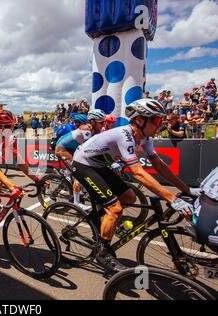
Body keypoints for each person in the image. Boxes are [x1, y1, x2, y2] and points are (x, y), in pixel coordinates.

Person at [72, 99, 198, 273]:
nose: (159, 124)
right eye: (156, 120)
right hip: (83, 164)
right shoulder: (124, 135)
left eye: (161, 120)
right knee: (115, 209)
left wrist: (186, 190)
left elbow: (159, 165)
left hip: (99, 166)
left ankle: (99, 216)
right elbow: (138, 173)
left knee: (130, 197)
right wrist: (171, 198)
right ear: (139, 120)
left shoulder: (145, 138)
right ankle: (102, 252)